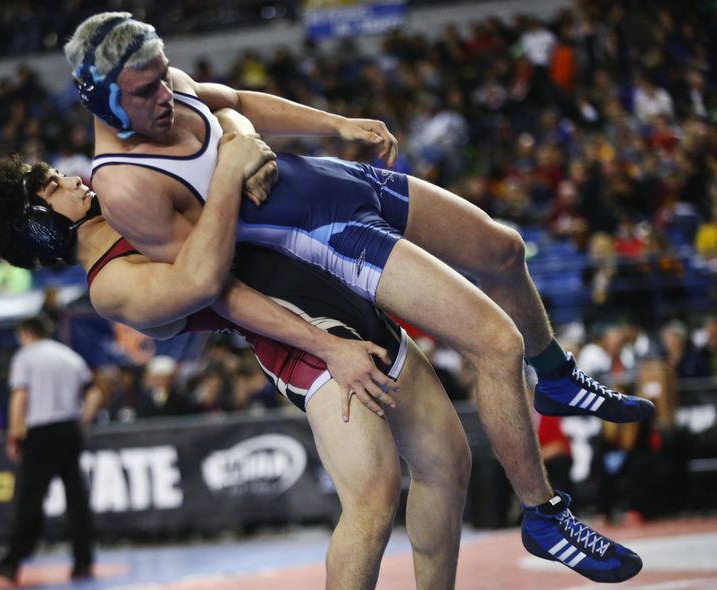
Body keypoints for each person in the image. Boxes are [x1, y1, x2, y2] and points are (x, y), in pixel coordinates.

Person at [63, 12, 650, 582]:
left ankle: (555, 376)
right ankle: (545, 517)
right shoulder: (125, 183)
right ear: (103, 99)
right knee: (496, 345)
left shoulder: (167, 88)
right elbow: (210, 284)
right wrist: (233, 167)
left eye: (166, 75)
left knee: (504, 249)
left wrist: (335, 124)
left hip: (331, 180)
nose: (166, 93)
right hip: (323, 237)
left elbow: (235, 102)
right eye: (147, 90)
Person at [0, 148, 470, 589]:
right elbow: (217, 288)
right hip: (305, 340)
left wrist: (248, 142)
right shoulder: (112, 285)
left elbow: (217, 116)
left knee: (448, 466)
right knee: (373, 500)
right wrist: (329, 347)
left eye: (57, 174)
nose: (69, 177)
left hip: (344, 297)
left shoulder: (123, 200)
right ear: (40, 225)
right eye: (52, 187)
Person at [0, 315, 103, 583]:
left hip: (41, 433)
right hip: (69, 430)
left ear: (26, 333)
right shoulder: (70, 357)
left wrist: (15, 437)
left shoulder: (26, 357)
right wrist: (81, 420)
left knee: (31, 500)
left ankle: (12, 562)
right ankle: (83, 561)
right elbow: (94, 394)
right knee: (77, 499)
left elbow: (19, 397)